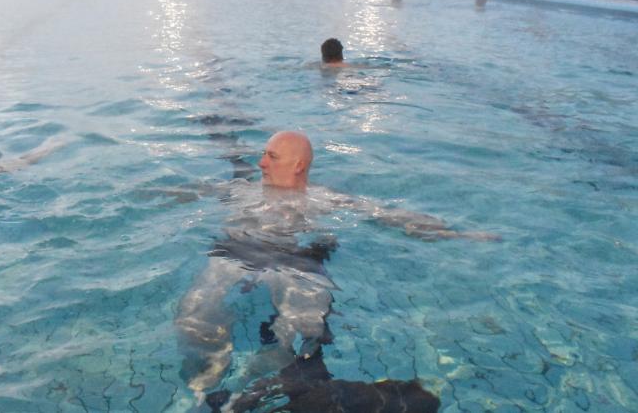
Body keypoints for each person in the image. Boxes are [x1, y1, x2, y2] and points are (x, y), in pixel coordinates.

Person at [175, 131, 495, 411]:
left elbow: (388, 216)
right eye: (262, 155)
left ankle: (266, 382)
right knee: (195, 310)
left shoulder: (324, 199)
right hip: (233, 252)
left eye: (271, 156)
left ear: (298, 165)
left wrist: (457, 235)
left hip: (292, 259)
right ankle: (204, 386)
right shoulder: (243, 191)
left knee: (304, 327)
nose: (260, 163)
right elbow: (189, 192)